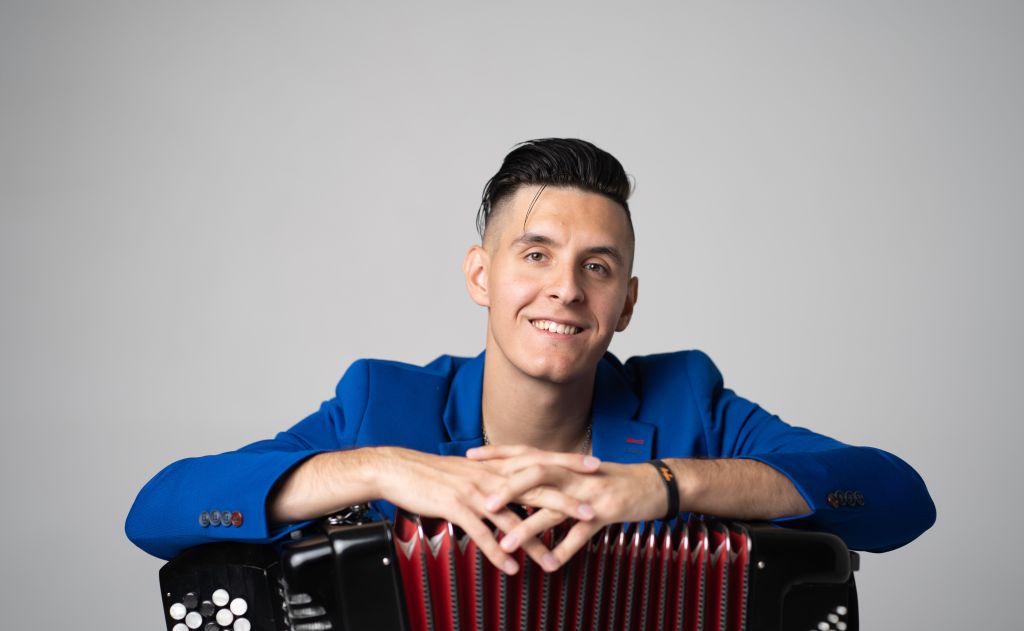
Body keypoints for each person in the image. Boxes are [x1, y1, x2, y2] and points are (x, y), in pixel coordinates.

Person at [125, 138, 936, 574]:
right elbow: (157, 510)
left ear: (626, 302)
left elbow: (898, 498)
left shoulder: (688, 404)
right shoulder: (381, 406)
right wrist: (379, 468)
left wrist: (666, 484)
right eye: (536, 255)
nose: (566, 290)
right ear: (481, 275)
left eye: (598, 267)